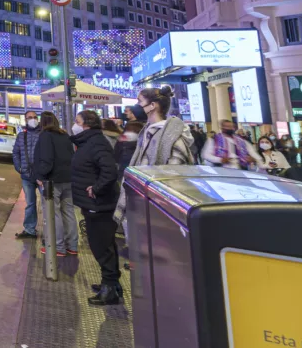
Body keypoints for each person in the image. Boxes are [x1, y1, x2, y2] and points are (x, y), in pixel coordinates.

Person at [114, 86, 194, 226]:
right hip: (143, 205)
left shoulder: (172, 138)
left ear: (152, 105)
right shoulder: (146, 133)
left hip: (159, 212)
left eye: (139, 101)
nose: (137, 106)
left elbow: (174, 179)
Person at [70, 110, 122, 306]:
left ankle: (110, 289)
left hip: (99, 204)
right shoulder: (91, 142)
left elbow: (109, 171)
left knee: (101, 246)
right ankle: (111, 284)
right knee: (105, 245)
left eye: (77, 121)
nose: (74, 125)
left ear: (86, 125)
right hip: (95, 203)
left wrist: (96, 189)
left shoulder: (96, 143)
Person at [33, 111, 78, 257]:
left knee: (53, 213)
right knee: (69, 212)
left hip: (52, 180)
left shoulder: (46, 135)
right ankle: (72, 245)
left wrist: (41, 175)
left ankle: (58, 247)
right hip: (68, 178)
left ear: (43, 122)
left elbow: (47, 159)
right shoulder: (64, 135)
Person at [12, 110, 42, 239]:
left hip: (41, 176)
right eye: (30, 117)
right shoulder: (21, 136)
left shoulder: (43, 134)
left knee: (47, 204)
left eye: (35, 117)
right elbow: (15, 153)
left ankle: (51, 233)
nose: (33, 119)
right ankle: (29, 229)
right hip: (26, 175)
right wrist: (18, 167)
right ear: (25, 120)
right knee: (30, 203)